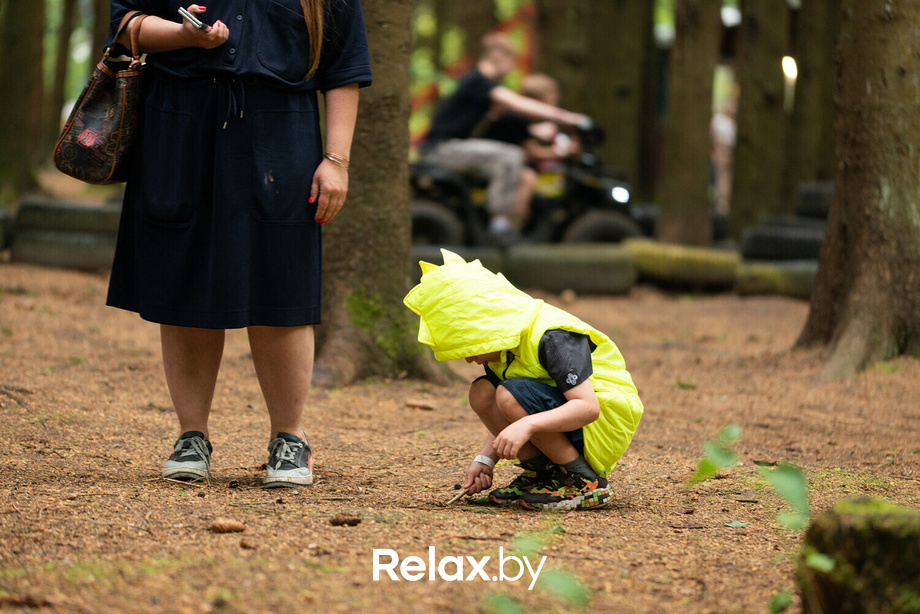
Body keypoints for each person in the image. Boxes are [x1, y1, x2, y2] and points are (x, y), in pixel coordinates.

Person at [104, 1, 371, 487]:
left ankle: (289, 440)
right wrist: (186, 37)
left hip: (282, 132)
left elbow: (343, 67)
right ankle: (191, 437)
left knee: (282, 283)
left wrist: (336, 159)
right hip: (179, 124)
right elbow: (126, 25)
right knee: (185, 278)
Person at [403, 250, 643, 511]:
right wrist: (485, 459)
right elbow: (515, 407)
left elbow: (588, 407)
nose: (469, 360)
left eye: (469, 348)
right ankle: (543, 476)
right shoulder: (502, 345)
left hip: (606, 416)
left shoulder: (552, 336)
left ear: (485, 329)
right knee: (482, 392)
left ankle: (583, 481)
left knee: (508, 393)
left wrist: (528, 425)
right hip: (563, 412)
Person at [419, 33, 591, 236]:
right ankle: (500, 224)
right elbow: (516, 103)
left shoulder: (478, 86)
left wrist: (538, 130)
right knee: (511, 155)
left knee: (520, 171)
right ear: (498, 56)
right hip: (441, 148)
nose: (511, 70)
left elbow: (499, 118)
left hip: (450, 147)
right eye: (511, 62)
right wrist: (568, 117)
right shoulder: (478, 81)